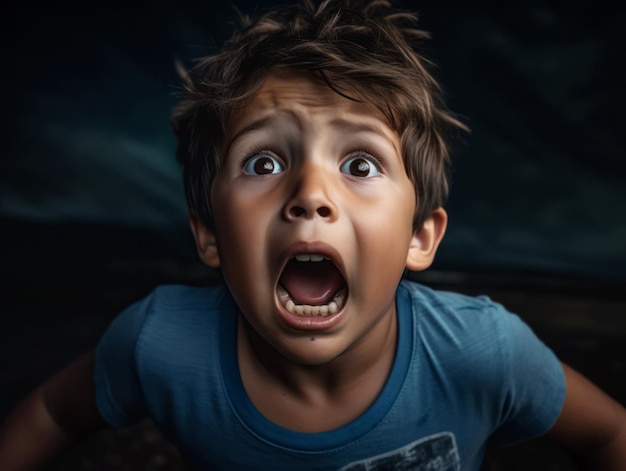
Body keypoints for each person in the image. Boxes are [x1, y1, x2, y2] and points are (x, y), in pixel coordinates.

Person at [1, 0, 625, 469]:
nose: (309, 195)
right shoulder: (158, 346)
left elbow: (608, 433)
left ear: (420, 237)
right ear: (210, 233)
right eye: (265, 163)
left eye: (359, 165)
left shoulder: (484, 351)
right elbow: (54, 411)